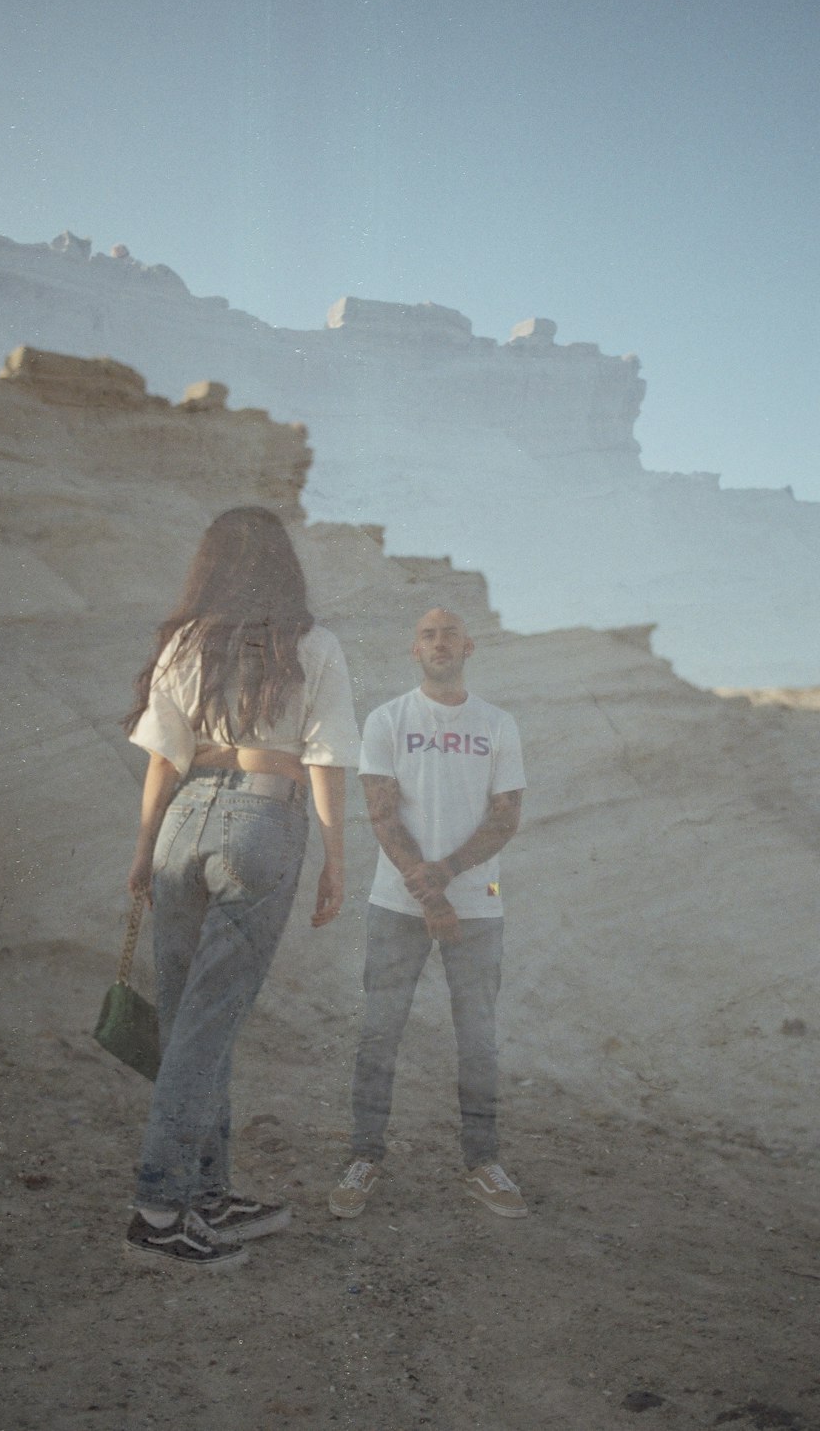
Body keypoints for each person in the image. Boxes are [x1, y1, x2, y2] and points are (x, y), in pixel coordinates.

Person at [122, 507, 360, 1270]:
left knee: (188, 1019)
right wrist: (334, 856)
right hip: (263, 820)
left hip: (183, 819)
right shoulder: (312, 645)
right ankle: (159, 1213)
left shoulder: (186, 640)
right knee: (208, 1026)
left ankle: (206, 1192)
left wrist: (141, 850)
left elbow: (164, 756)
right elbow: (324, 758)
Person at [329, 607, 528, 1221]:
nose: (439, 643)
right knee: (380, 1031)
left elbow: (505, 816)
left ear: (470, 645)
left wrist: (444, 881)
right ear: (413, 650)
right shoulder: (388, 719)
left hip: (478, 906)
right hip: (397, 904)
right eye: (427, 634)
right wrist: (431, 895)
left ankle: (483, 1162)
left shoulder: (498, 724)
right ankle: (364, 1157)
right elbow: (382, 816)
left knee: (479, 1038)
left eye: (449, 634)